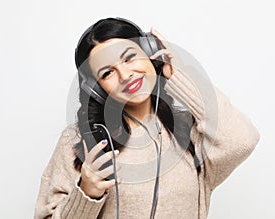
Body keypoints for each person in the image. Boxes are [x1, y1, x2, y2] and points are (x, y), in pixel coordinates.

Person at [34, 17, 260, 219]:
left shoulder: (191, 131)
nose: (125, 75)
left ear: (150, 52)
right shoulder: (78, 141)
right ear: (97, 89)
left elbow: (242, 140)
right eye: (107, 73)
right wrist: (86, 193)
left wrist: (180, 75)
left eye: (130, 58)